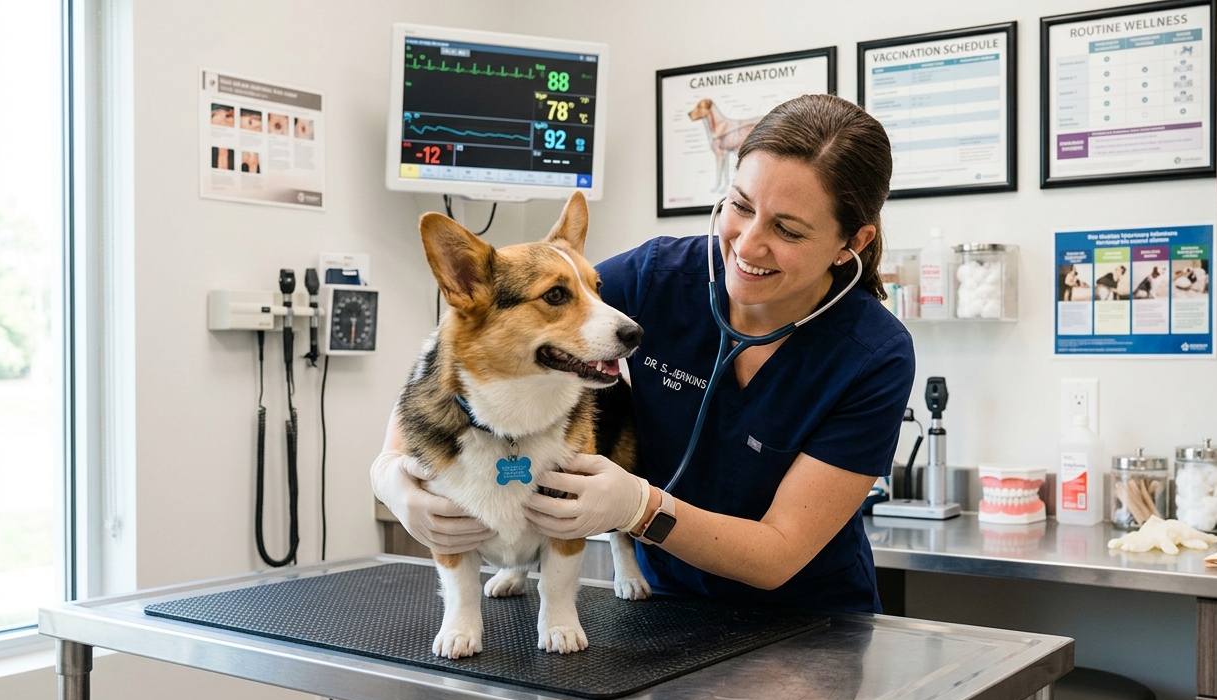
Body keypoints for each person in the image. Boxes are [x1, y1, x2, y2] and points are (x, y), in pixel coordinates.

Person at [372, 94, 915, 614]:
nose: (747, 245)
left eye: (788, 230)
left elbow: (778, 553)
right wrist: (390, 470)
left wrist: (638, 508)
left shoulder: (874, 356)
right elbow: (483, 337)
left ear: (854, 243)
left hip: (811, 624)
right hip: (662, 608)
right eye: (740, 206)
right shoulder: (660, 277)